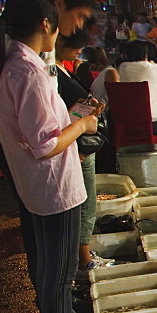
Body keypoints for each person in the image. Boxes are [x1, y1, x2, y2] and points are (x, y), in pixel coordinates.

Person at [0, 0, 103, 313]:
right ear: (46, 24)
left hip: (40, 188)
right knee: (58, 274)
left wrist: (76, 114)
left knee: (50, 267)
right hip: (53, 188)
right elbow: (45, 144)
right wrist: (83, 123)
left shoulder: (22, 64)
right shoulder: (25, 72)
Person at [54, 29, 108, 275]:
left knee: (85, 203)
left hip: (80, 143)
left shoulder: (62, 68)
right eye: (75, 44)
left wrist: (90, 108)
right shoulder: (50, 73)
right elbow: (57, 120)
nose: (80, 49)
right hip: (76, 148)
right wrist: (82, 122)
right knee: (83, 205)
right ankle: (84, 262)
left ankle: (82, 259)